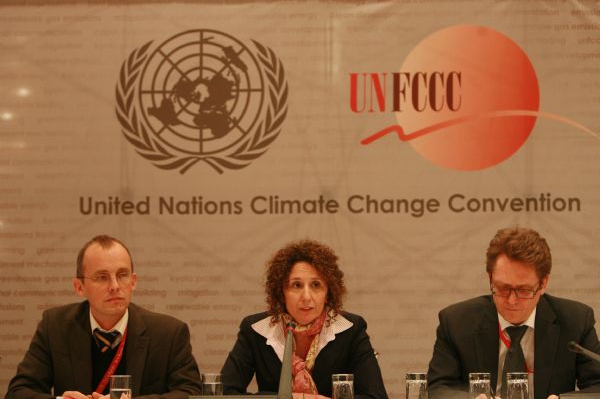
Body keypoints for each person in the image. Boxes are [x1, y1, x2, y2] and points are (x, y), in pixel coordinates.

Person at [5, 235, 202, 399]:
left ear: (133, 282)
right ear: (79, 287)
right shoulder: (55, 326)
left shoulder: (168, 333)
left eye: (122, 275)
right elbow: (18, 392)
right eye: (102, 277)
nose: (115, 285)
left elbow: (191, 393)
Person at [427, 227, 600, 399]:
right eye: (503, 288)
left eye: (524, 290)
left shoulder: (575, 321)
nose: (511, 300)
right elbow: (438, 388)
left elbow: (597, 387)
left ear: (543, 283)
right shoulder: (456, 322)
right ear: (490, 279)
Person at [220, 239, 388, 399]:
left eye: (316, 285)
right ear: (281, 292)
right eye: (296, 285)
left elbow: (376, 396)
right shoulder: (255, 329)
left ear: (328, 293)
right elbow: (224, 393)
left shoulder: (351, 329)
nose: (306, 296)